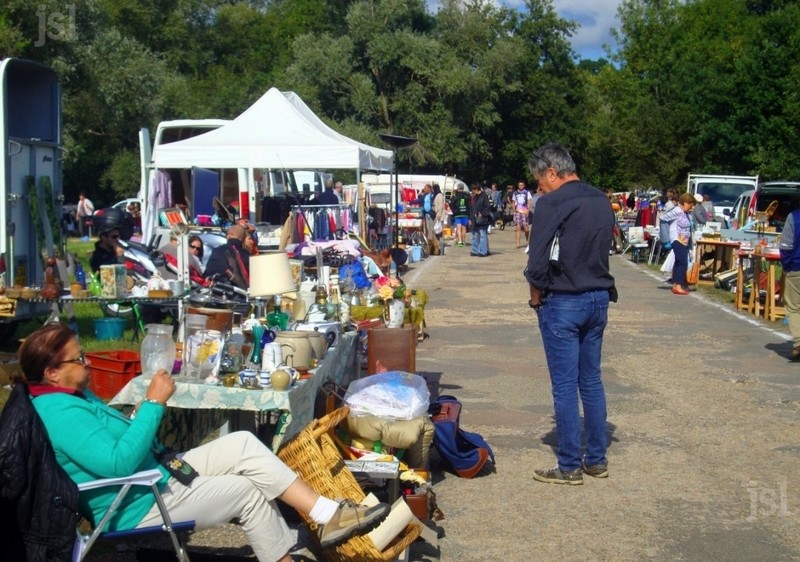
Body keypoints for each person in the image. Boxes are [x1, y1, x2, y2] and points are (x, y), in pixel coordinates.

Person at [17, 323, 390, 561]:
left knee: (242, 442)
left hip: (157, 476)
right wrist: (153, 403)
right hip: (135, 502)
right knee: (247, 492)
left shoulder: (72, 397)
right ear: (52, 373)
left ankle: (326, 516)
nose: (86, 362)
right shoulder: (60, 413)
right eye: (77, 359)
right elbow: (117, 464)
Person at [524, 142, 615, 485]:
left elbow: (537, 259)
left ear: (552, 172)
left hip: (563, 299)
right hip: (598, 296)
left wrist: (536, 296)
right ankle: (596, 459)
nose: (539, 188)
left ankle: (569, 465)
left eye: (539, 180)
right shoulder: (600, 199)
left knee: (564, 386)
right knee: (590, 381)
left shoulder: (552, 202)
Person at [660, 193, 695, 295]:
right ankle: (678, 285)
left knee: (679, 262)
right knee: (682, 262)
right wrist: (665, 238)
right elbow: (663, 218)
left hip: (684, 241)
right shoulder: (677, 210)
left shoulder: (686, 213)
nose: (691, 206)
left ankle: (676, 284)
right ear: (684, 203)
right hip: (677, 239)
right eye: (690, 204)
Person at [779, 210, 800, 360]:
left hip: (796, 267)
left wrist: (786, 267)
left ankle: (799, 343)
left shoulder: (794, 216)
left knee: (793, 307)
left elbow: (786, 245)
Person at [204, 224, 250, 290]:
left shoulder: (218, 251)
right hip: (245, 294)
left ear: (228, 236)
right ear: (243, 239)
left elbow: (208, 275)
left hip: (222, 292)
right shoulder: (247, 255)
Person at [469, 183, 490, 257]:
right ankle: (474, 250)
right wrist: (470, 218)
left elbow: (487, 207)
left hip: (482, 219)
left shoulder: (484, 196)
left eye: (473, 190)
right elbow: (471, 208)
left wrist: (482, 213)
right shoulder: (474, 197)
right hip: (474, 218)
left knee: (482, 235)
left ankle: (483, 251)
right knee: (474, 235)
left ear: (476, 189)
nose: (472, 192)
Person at [511, 181, 533, 248]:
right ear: (518, 186)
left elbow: (529, 201)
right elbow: (513, 201)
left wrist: (528, 210)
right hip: (518, 211)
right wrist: (514, 209)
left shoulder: (527, 192)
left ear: (524, 185)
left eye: (522, 185)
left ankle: (527, 240)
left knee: (526, 228)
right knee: (518, 227)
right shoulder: (515, 193)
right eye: (519, 185)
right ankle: (517, 243)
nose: (521, 186)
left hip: (525, 211)